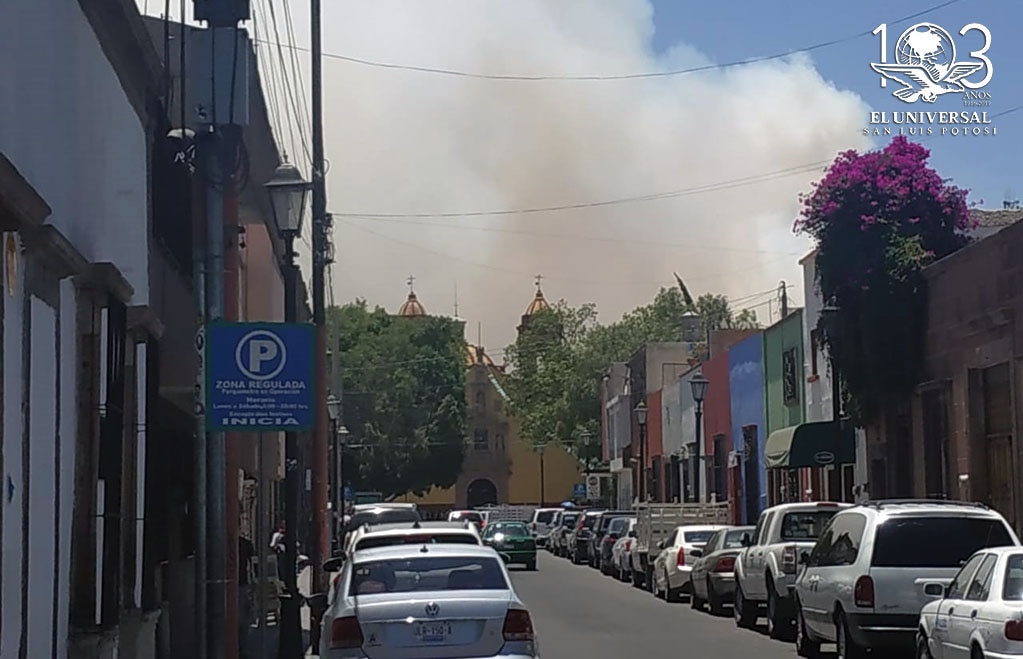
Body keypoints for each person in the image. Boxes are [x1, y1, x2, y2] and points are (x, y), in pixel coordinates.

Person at [237, 535, 256, 658]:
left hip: (241, 585)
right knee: (243, 619)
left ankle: (240, 648)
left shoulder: (245, 544)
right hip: (241, 585)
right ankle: (241, 648)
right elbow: (254, 564)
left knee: (242, 619)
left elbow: (253, 564)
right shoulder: (246, 543)